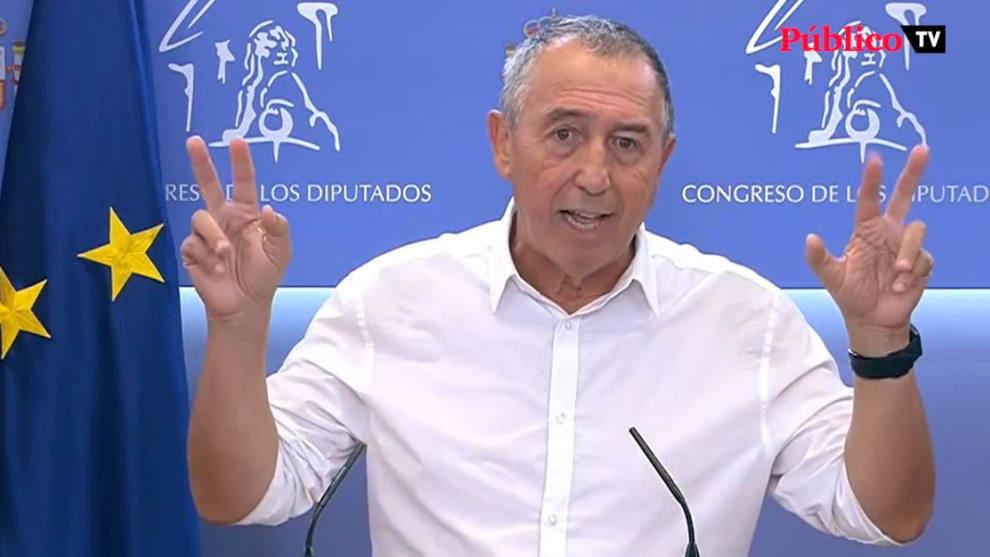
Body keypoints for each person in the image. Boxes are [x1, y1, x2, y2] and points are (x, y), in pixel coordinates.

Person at [181, 15, 936, 557]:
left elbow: (887, 514)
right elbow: (238, 496)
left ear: (663, 161)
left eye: (627, 143)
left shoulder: (748, 320)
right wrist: (237, 327)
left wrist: (882, 346)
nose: (595, 175)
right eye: (564, 134)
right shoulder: (388, 301)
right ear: (503, 143)